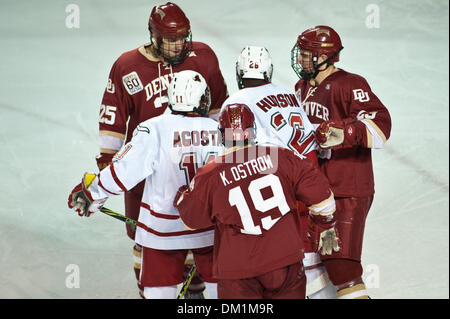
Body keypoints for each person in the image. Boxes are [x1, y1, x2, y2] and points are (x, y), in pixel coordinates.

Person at [96, 2, 228, 298]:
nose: (179, 45)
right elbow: (112, 118)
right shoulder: (127, 66)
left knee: (198, 232)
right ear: (154, 36)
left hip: (196, 166)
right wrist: (109, 162)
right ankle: (153, 291)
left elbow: (220, 109)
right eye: (171, 40)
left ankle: (194, 294)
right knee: (147, 240)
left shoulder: (204, 57)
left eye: (182, 38)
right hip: (145, 165)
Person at [68, 70, 224, 299]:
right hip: (210, 229)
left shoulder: (153, 128)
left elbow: (123, 172)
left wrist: (92, 192)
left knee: (158, 293)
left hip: (162, 231)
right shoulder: (220, 129)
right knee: (226, 292)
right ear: (202, 100)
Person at [174, 103, 340, 299]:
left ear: (221, 134)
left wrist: (183, 196)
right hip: (285, 261)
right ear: (252, 131)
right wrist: (326, 224)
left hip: (239, 271)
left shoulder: (209, 175)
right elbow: (322, 195)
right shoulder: (280, 155)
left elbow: (191, 221)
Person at [220, 45, 337, 298]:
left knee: (278, 265)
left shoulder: (235, 103)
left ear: (239, 73)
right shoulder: (288, 93)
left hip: (277, 192)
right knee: (311, 262)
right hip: (311, 181)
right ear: (269, 71)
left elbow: (233, 157)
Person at [291, 25, 392, 299]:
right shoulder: (301, 87)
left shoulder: (350, 84)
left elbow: (381, 128)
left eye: (306, 54)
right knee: (313, 264)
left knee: (342, 268)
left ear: (324, 57)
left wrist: (341, 132)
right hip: (317, 191)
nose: (299, 59)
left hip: (348, 190)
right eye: (300, 53)